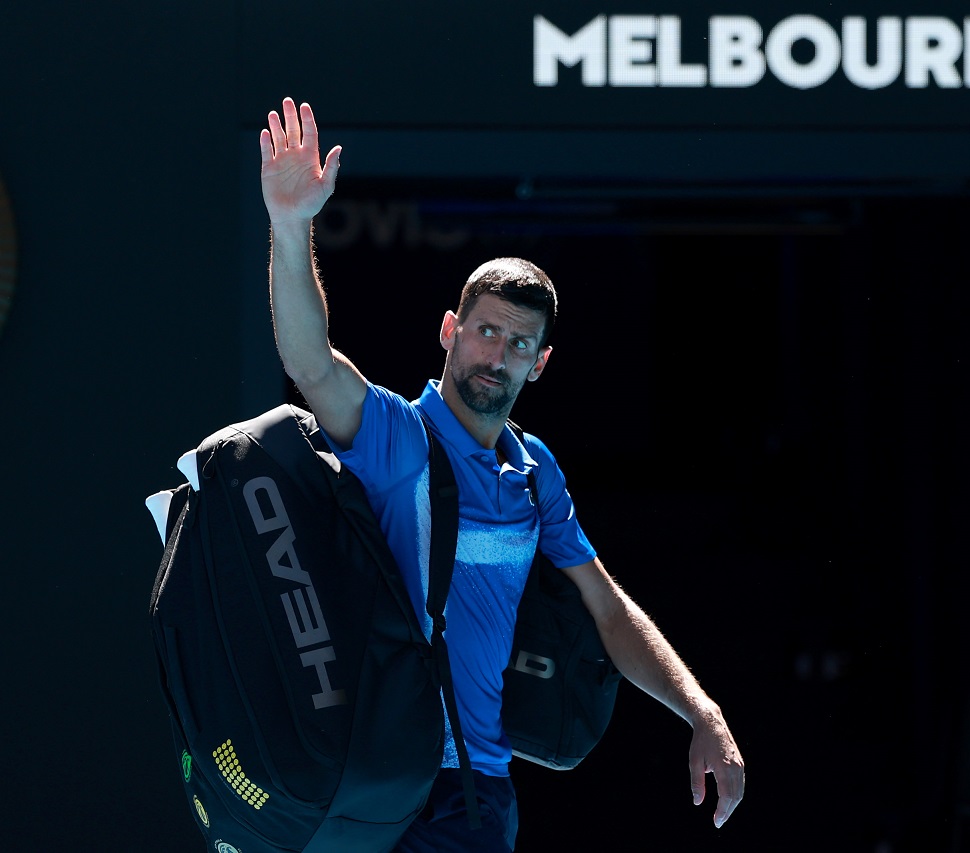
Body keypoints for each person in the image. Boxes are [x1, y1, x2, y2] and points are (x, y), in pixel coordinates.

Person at [259, 96, 745, 852]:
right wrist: (291, 225)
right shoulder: (397, 435)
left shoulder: (535, 469)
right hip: (374, 778)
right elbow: (309, 362)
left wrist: (700, 710)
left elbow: (606, 607)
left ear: (540, 362)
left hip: (475, 794)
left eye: (519, 344)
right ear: (450, 331)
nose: (497, 355)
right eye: (485, 331)